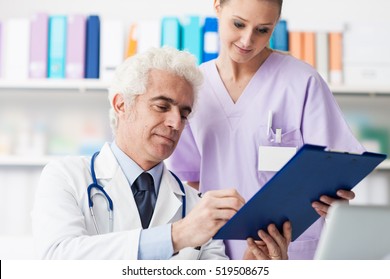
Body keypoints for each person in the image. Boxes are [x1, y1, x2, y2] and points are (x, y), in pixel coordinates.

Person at [31, 46, 291, 260]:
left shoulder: (197, 204)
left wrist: (253, 268)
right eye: (162, 106)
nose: (176, 123)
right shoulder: (65, 177)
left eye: (184, 113)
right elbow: (57, 257)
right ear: (122, 105)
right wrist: (177, 235)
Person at [167, 0, 366, 260]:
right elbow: (189, 180)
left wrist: (337, 202)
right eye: (238, 24)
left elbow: (333, 171)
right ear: (217, 6)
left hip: (288, 251)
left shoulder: (301, 82)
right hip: (213, 253)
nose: (247, 40)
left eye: (263, 30)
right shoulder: (194, 87)